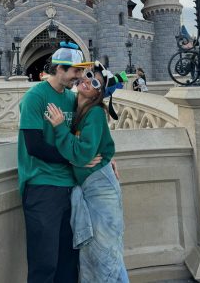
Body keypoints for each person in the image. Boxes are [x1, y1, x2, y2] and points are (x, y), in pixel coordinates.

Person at [18, 41, 97, 283]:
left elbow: (85, 138)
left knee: (68, 262)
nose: (80, 76)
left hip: (69, 188)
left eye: (82, 71)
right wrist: (76, 158)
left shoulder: (72, 100)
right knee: (45, 262)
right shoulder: (35, 97)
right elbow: (35, 146)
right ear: (59, 69)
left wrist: (106, 160)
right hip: (42, 186)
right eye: (75, 70)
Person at [46, 61, 130, 283]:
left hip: (100, 190)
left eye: (95, 83)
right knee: (97, 254)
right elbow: (91, 150)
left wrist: (60, 128)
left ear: (97, 93)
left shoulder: (94, 113)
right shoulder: (79, 109)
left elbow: (83, 155)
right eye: (89, 75)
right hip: (91, 188)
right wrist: (108, 157)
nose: (87, 81)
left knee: (105, 255)